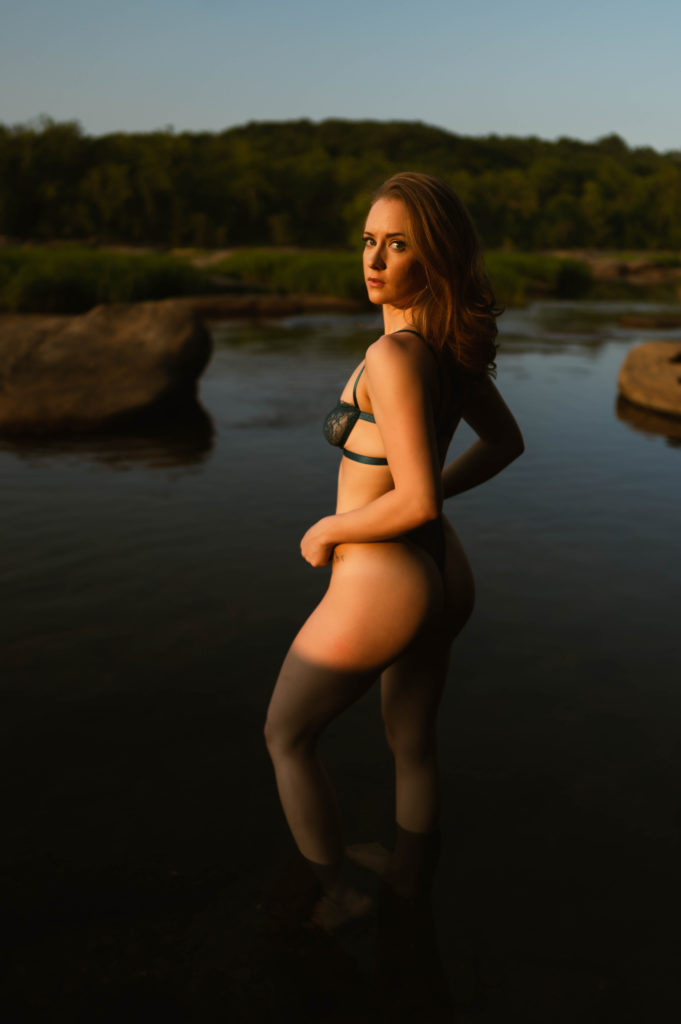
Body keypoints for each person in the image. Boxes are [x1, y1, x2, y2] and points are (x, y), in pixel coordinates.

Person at [264, 171, 524, 923]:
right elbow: (505, 444)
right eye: (369, 242)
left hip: (383, 578)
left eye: (398, 244)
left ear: (434, 257)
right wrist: (426, 495)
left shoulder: (392, 356)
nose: (374, 260)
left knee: (284, 735)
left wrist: (329, 528)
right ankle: (410, 884)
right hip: (441, 568)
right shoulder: (445, 349)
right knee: (411, 743)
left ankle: (334, 894)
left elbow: (414, 497)